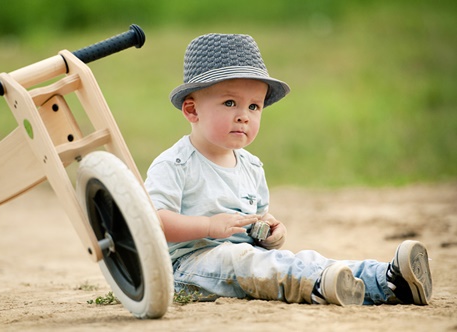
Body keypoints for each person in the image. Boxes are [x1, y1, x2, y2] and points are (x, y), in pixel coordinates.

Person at [144, 33, 432, 305]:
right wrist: (208, 226)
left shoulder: (251, 166)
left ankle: (388, 280)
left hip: (244, 258)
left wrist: (270, 232)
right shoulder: (175, 164)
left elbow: (254, 223)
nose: (243, 116)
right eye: (230, 102)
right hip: (188, 268)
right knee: (244, 261)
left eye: (254, 106)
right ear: (192, 110)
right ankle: (317, 285)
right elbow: (152, 222)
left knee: (299, 258)